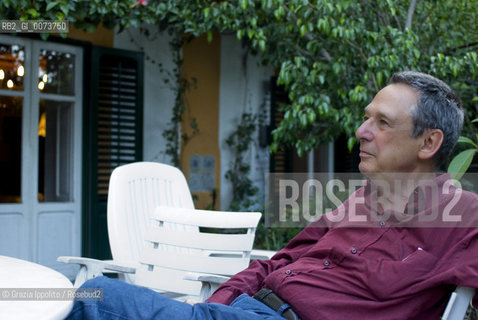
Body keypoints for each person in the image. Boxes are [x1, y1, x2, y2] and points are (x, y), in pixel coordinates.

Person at [66, 71, 478, 320]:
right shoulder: (357, 203)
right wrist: (219, 306)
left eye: (383, 122)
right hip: (239, 311)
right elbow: (278, 262)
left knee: (95, 297)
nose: (361, 132)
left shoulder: (463, 218)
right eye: (366, 117)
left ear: (428, 143)